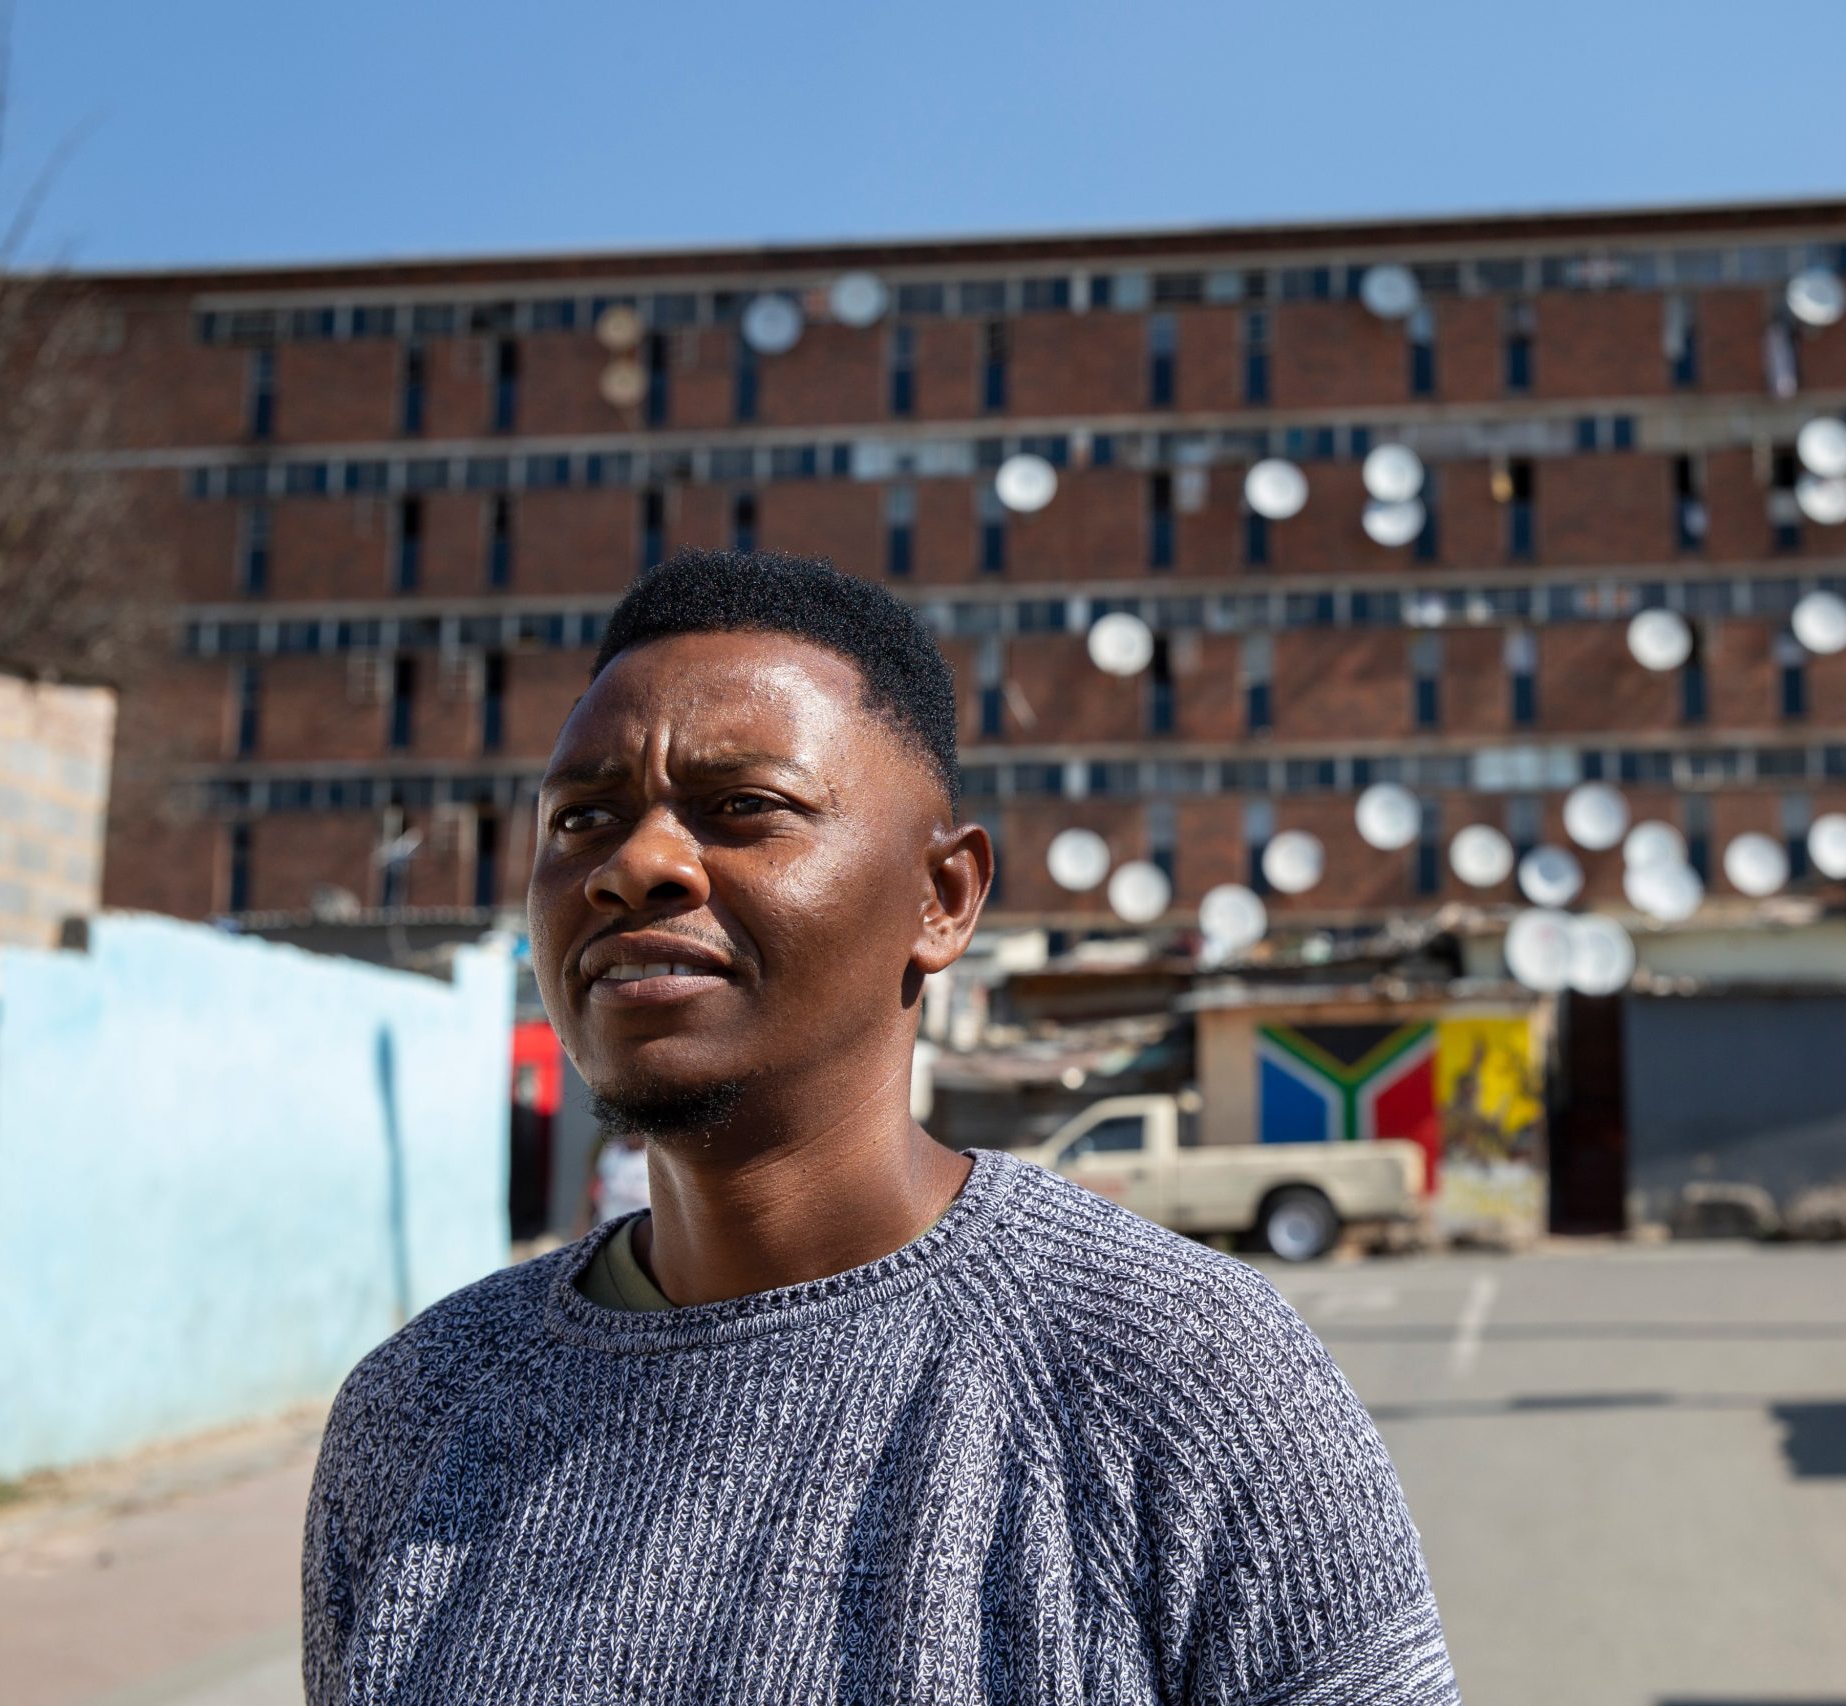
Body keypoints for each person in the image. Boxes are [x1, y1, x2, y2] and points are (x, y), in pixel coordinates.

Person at [302, 550, 1455, 1703]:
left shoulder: (1189, 1382)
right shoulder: (417, 1413)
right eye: (584, 815)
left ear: (942, 898)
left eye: (743, 807)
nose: (636, 864)